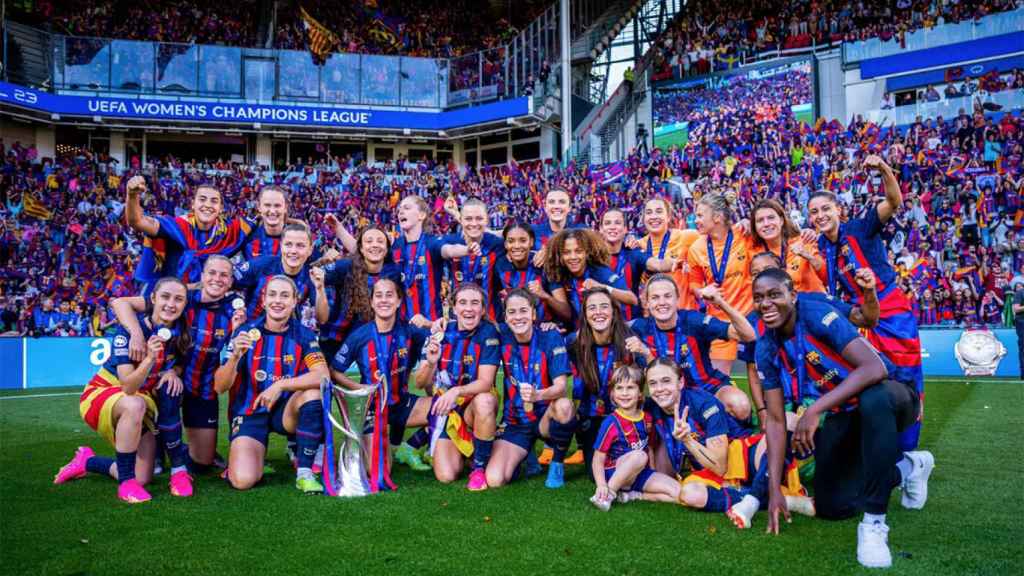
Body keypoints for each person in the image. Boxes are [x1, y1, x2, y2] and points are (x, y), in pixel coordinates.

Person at [752, 269, 934, 568]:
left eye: (774, 295)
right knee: (832, 506)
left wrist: (814, 409)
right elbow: (774, 420)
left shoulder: (816, 314)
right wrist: (773, 491)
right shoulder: (765, 347)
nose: (766, 304)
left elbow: (875, 369)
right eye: (759, 298)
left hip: (894, 397)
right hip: (845, 413)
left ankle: (874, 525)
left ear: (793, 296)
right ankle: (909, 467)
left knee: (871, 398)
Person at [808, 155, 925, 451]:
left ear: (839, 210)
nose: (820, 215)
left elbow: (894, 201)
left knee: (905, 377)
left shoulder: (861, 227)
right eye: (813, 212)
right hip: (856, 318)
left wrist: (884, 169)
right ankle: (876, 447)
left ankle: (910, 453)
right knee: (868, 382)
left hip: (890, 311)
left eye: (825, 209)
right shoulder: (822, 245)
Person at [54, 277, 191, 503]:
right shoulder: (127, 332)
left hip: (142, 398)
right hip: (106, 391)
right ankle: (125, 485)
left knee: (143, 476)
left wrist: (172, 372)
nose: (171, 304)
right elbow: (127, 386)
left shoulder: (181, 331)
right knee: (134, 403)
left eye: (178, 299)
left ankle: (87, 461)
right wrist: (149, 359)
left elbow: (178, 362)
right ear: (153, 299)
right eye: (165, 297)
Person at [110, 255, 246, 472]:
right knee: (151, 466)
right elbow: (120, 302)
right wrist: (135, 333)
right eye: (212, 273)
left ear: (230, 281)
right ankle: (157, 446)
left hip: (202, 386)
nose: (217, 279)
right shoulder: (179, 297)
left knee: (203, 462)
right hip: (163, 381)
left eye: (224, 275)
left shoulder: (235, 311)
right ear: (202, 276)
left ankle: (177, 448)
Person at [643, 357, 813, 520]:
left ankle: (752, 499)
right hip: (710, 473)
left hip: (746, 457)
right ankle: (782, 499)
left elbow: (721, 467)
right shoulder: (651, 407)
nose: (659, 389)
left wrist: (688, 440)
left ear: (680, 382)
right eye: (653, 383)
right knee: (690, 495)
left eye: (666, 381)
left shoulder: (704, 403)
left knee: (789, 419)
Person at [213, 275, 329, 493]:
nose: (278, 301)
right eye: (272, 294)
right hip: (251, 412)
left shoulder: (304, 335)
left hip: (285, 411)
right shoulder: (244, 333)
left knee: (314, 394)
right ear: (264, 300)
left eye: (285, 295)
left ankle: (304, 473)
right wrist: (235, 356)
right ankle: (251, 456)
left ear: (295, 301)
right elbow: (220, 386)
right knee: (243, 480)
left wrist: (280, 386)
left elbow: (323, 376)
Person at [740, 252, 880, 429]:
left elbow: (866, 320)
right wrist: (762, 411)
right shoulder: (753, 320)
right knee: (783, 433)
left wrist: (868, 292)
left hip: (829, 398)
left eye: (767, 269)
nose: (762, 276)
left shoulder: (815, 303)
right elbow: (753, 371)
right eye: (755, 273)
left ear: (783, 272)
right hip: (785, 404)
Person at [329, 276, 440, 488]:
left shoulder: (410, 333)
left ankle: (410, 446)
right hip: (372, 409)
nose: (384, 300)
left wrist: (431, 324)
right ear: (371, 302)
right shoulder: (359, 336)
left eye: (390, 295)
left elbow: (439, 334)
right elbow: (335, 371)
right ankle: (375, 440)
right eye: (378, 296)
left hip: (401, 404)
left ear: (399, 301)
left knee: (447, 408)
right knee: (377, 471)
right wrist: (361, 388)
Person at [629, 273, 755, 425]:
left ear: (677, 299)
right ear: (647, 303)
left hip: (706, 387)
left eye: (667, 296)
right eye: (655, 297)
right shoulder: (638, 328)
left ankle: (736, 439)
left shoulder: (694, 321)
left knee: (739, 405)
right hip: (667, 393)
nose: (661, 302)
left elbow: (748, 336)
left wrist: (720, 302)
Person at [486, 289, 576, 489]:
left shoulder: (550, 335)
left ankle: (557, 463)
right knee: (495, 479)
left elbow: (561, 387)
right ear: (506, 316)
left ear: (534, 314)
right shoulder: (501, 333)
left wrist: (538, 395)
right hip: (515, 422)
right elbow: (475, 321)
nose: (518, 317)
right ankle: (527, 456)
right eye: (512, 312)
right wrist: (439, 323)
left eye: (523, 311)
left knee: (564, 406)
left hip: (545, 417)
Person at [414, 283, 500, 490]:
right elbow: (419, 383)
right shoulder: (441, 333)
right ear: (453, 307)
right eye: (463, 302)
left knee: (485, 401)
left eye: (475, 303)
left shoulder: (489, 333)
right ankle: (467, 446)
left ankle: (478, 467)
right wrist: (432, 362)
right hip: (446, 411)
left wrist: (457, 391)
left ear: (482, 308)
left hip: (471, 406)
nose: (469, 308)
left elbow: (486, 383)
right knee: (446, 475)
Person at [124, 175, 251, 286]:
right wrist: (132, 194)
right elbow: (137, 222)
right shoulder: (176, 226)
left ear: (221, 208)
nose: (207, 205)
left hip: (210, 305)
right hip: (175, 302)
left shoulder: (230, 231)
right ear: (192, 204)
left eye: (214, 201)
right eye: (202, 199)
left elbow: (259, 224)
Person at [590, 364, 680, 511]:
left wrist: (653, 472)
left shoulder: (648, 419)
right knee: (639, 456)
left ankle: (631, 496)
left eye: (630, 387)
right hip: (614, 474)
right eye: (619, 388)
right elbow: (597, 459)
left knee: (679, 493)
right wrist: (601, 485)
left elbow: (649, 448)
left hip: (639, 474)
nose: (624, 393)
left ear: (640, 393)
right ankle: (606, 496)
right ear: (612, 393)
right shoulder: (611, 422)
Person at [569, 287, 637, 472]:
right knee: (596, 472)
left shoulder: (631, 338)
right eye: (592, 308)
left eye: (604, 306)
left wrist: (644, 353)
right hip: (593, 417)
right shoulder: (574, 343)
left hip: (625, 415)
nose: (598, 312)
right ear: (584, 314)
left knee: (629, 464)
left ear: (614, 312)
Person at [687, 192, 754, 374]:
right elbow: (693, 284)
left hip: (750, 318)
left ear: (717, 217)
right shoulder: (696, 249)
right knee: (719, 383)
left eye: (700, 215)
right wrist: (701, 291)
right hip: (720, 323)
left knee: (761, 376)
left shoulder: (745, 235)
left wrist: (750, 221)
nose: (696, 220)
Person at [318, 225, 400, 361]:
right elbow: (314, 275)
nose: (375, 245)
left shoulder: (393, 272)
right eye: (369, 241)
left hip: (366, 337)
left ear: (386, 250)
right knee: (324, 379)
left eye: (380, 241)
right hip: (335, 338)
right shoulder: (344, 266)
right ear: (361, 248)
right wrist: (321, 262)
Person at [232, 223, 328, 326]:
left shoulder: (311, 275)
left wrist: (320, 288)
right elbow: (230, 280)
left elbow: (322, 319)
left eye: (300, 246)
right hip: (251, 331)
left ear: (310, 250)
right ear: (281, 246)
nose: (293, 251)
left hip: (286, 334)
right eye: (288, 244)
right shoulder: (264, 264)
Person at [543, 229, 636, 327]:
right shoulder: (557, 272)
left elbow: (632, 299)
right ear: (560, 255)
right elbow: (566, 314)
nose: (573, 257)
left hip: (606, 329)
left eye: (578, 251)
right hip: (577, 333)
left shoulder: (599, 271)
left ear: (586, 252)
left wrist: (602, 287)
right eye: (566, 252)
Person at [599, 207, 678, 320]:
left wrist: (673, 263)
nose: (612, 227)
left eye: (617, 223)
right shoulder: (593, 257)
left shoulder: (634, 253)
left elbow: (657, 264)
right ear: (601, 229)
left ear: (625, 229)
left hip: (631, 324)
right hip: (601, 321)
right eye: (607, 223)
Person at [440, 198, 506, 321]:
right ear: (461, 220)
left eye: (479, 218)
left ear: (487, 219)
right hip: (459, 320)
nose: (474, 223)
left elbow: (520, 232)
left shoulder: (496, 244)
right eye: (468, 219)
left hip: (492, 321)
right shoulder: (449, 242)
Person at [742, 198, 825, 293]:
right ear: (754, 226)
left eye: (771, 218)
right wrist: (742, 222)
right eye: (760, 220)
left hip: (813, 304)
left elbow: (826, 276)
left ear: (781, 221)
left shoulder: (803, 241)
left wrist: (810, 257)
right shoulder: (753, 252)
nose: (766, 224)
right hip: (779, 305)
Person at [390, 196, 447, 326]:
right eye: (399, 210)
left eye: (407, 208)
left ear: (421, 215)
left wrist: (468, 249)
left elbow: (450, 250)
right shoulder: (394, 247)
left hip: (432, 326)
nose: (401, 212)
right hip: (402, 329)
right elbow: (364, 248)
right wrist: (338, 228)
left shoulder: (432, 242)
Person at [493, 221, 548, 322]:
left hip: (542, 326)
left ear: (531, 242)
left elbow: (563, 308)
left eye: (522, 240)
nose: (517, 246)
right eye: (511, 241)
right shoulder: (499, 265)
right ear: (505, 244)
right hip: (515, 325)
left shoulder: (542, 263)